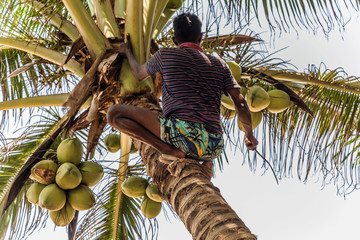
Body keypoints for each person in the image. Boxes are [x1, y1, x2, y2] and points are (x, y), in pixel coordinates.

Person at [106, 13, 258, 183]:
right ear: (200, 37)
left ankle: (168, 151)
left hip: (181, 135)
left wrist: (127, 52)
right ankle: (205, 161)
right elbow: (241, 103)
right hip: (214, 145)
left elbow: (138, 74)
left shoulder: (165, 55)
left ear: (174, 40)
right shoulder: (220, 65)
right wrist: (249, 134)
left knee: (114, 114)